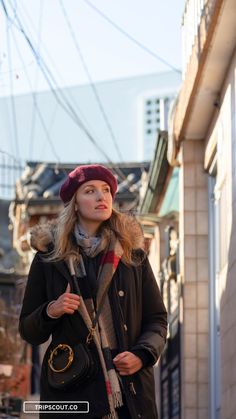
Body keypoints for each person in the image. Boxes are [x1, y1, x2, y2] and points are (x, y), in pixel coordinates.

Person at [19, 164, 167, 419]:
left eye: (106, 190)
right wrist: (51, 311)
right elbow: (28, 330)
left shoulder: (134, 258)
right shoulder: (49, 259)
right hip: (72, 391)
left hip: (127, 389)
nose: (102, 197)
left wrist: (142, 355)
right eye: (90, 191)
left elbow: (157, 320)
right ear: (74, 204)